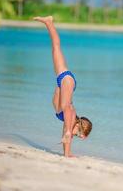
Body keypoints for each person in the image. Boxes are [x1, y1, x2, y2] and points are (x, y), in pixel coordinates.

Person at [33, 16, 92, 158]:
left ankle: (49, 22)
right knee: (56, 47)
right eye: (78, 135)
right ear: (82, 131)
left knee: (55, 48)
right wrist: (67, 133)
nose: (72, 135)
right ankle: (49, 22)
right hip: (66, 79)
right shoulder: (71, 114)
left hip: (63, 80)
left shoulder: (70, 123)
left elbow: (67, 134)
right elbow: (66, 109)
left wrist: (67, 154)